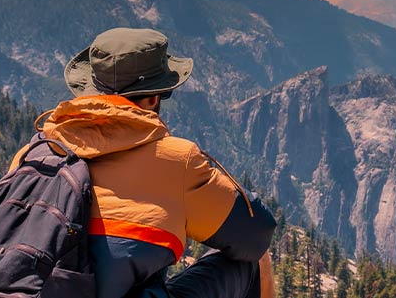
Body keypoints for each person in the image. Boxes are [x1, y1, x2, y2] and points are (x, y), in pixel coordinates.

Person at [28, 28, 277, 297]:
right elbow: (255, 236)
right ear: (152, 98)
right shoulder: (176, 161)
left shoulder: (34, 152)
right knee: (253, 263)